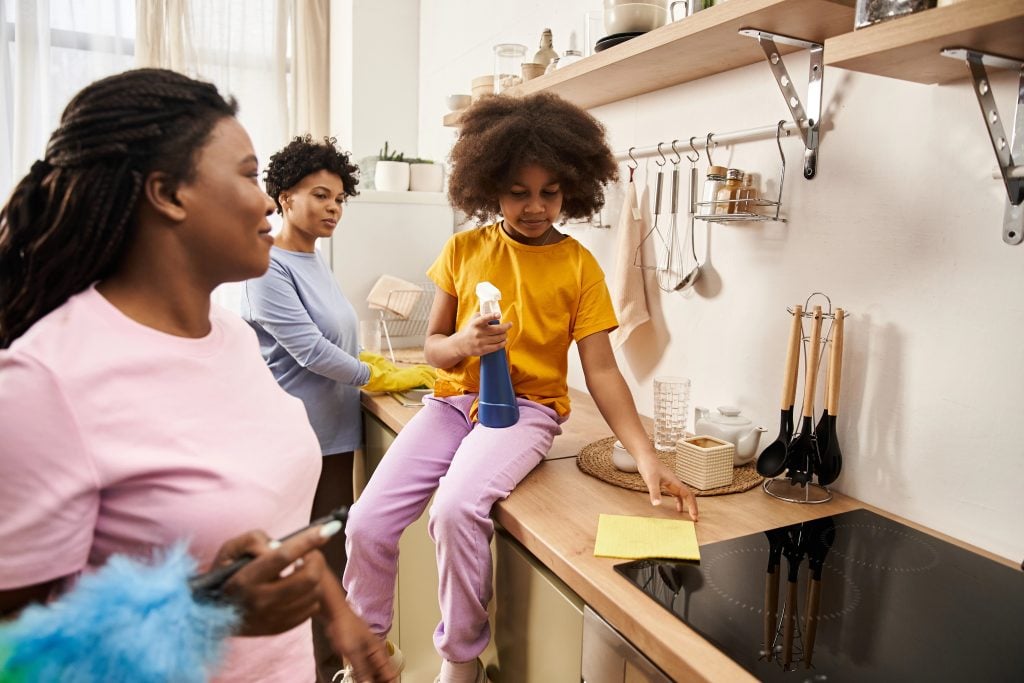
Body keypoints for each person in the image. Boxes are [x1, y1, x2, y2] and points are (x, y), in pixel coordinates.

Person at [0, 68, 395, 683]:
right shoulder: (44, 382)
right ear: (168, 194)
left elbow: (266, 529)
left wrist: (335, 609)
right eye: (245, 173)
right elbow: (13, 653)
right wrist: (205, 611)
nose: (267, 199)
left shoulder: (232, 338)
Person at [341, 92, 700, 683]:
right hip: (452, 402)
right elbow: (432, 347)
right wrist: (463, 345)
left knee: (456, 510)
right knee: (366, 522)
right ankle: (372, 658)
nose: (535, 207)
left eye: (549, 192)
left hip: (527, 411)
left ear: (571, 189)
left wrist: (647, 455)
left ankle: (461, 659)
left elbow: (603, 371)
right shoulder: (463, 250)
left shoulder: (580, 267)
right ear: (490, 189)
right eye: (518, 192)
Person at [241, 135, 433, 681]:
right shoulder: (268, 267)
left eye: (340, 199)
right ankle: (321, 670)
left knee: (330, 557)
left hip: (333, 432)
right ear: (283, 196)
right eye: (320, 195)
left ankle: (330, 664)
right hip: (298, 435)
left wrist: (377, 364)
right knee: (312, 562)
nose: (333, 208)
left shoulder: (314, 261)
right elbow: (307, 350)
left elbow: (338, 343)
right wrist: (381, 373)